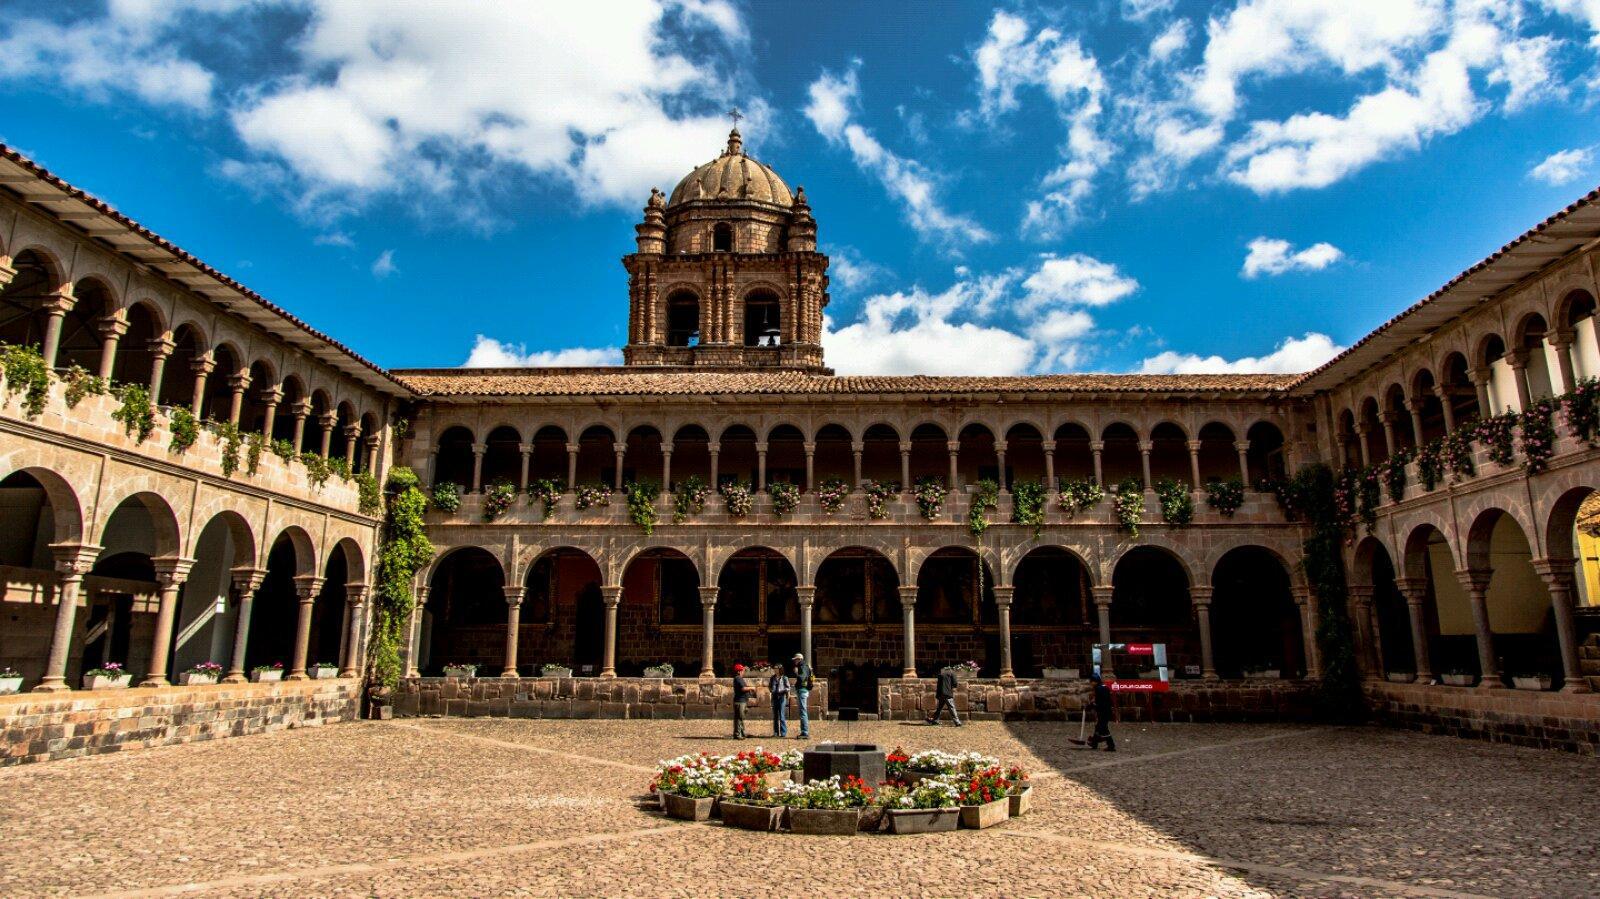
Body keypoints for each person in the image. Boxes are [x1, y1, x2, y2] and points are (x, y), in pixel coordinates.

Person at [1086, 670, 1116, 751]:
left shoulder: (1099, 689)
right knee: (1098, 727)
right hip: (1106, 710)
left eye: (1091, 682)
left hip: (1103, 711)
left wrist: (1091, 706)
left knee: (1103, 728)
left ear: (1095, 681)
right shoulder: (1104, 687)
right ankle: (1094, 743)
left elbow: (1099, 702)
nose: (1091, 684)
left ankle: (1111, 745)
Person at [790, 653, 812, 739]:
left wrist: (796, 672)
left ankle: (805, 732)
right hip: (802, 690)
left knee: (803, 712)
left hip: (802, 691)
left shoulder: (802, 666)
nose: (794, 661)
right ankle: (804, 732)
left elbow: (802, 678)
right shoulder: (804, 666)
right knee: (802, 711)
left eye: (795, 659)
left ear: (799, 659)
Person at [731, 664, 756, 739]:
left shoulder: (739, 678)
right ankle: (738, 734)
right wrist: (752, 688)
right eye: (742, 670)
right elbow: (743, 689)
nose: (743, 672)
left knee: (740, 718)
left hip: (742, 701)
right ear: (739, 671)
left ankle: (742, 733)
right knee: (739, 718)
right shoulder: (738, 678)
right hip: (740, 701)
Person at [769, 666, 791, 737]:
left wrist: (785, 692)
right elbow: (769, 686)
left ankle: (783, 733)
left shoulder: (784, 678)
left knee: (782, 715)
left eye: (776, 669)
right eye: (774, 669)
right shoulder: (772, 678)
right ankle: (776, 732)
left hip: (782, 697)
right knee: (775, 716)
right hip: (775, 697)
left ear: (780, 670)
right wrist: (772, 690)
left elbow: (788, 687)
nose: (775, 670)